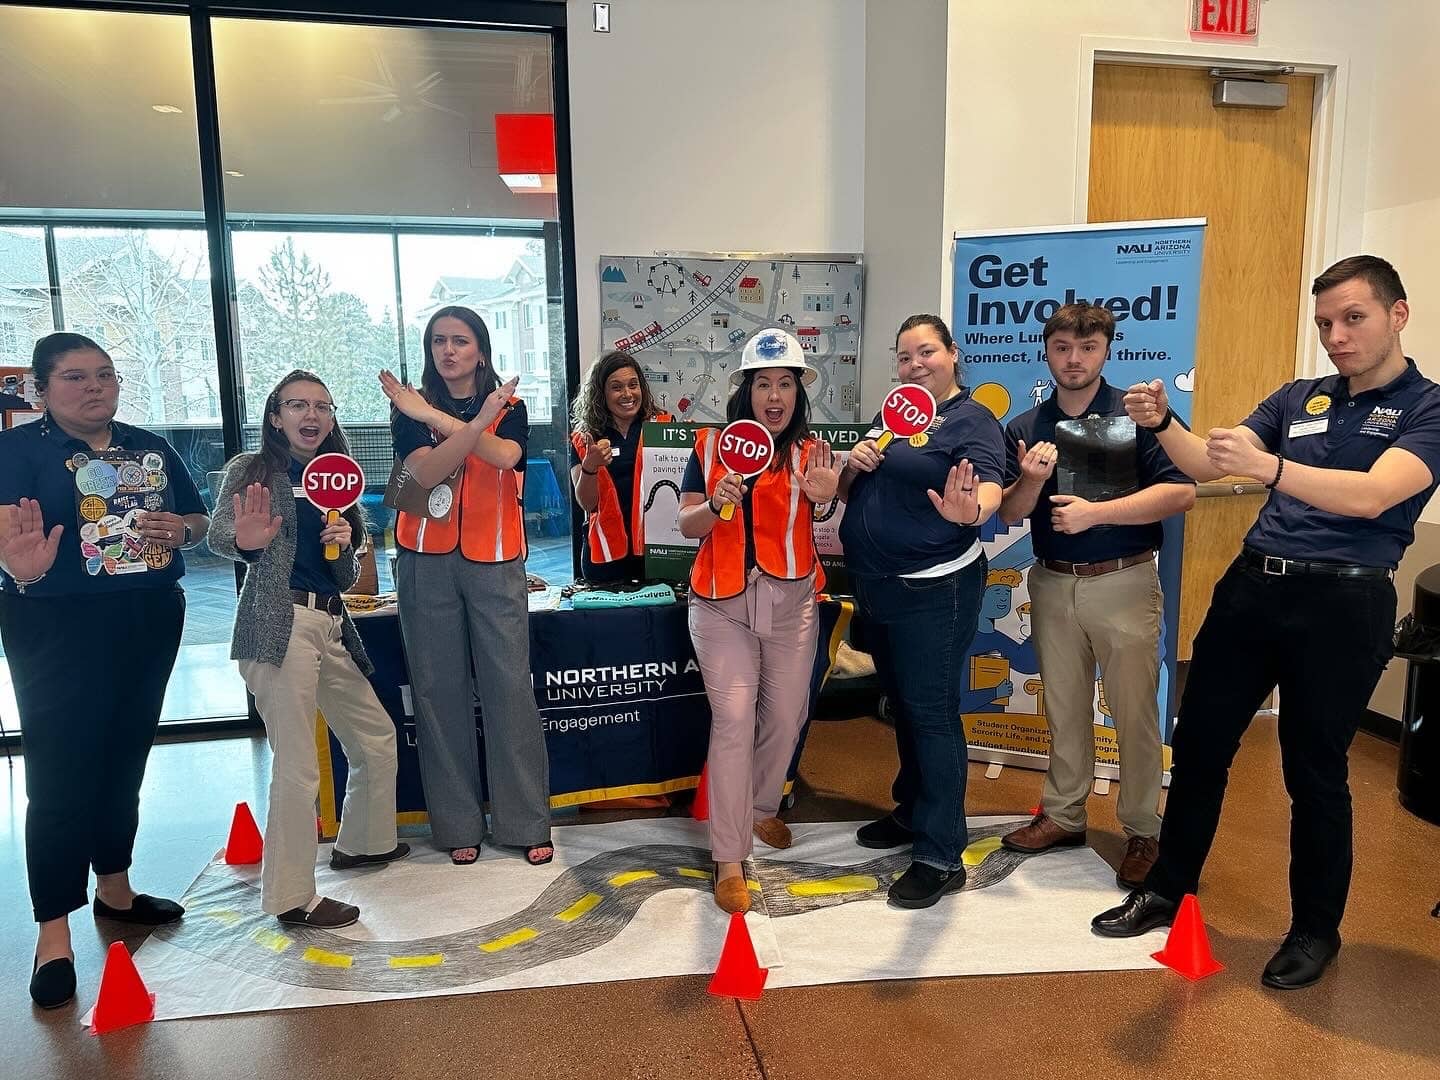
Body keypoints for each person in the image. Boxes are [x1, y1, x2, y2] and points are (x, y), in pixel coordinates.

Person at [1092, 255, 1440, 990]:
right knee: (1202, 746)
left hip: (1345, 605)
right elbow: (1210, 464)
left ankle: (1316, 930)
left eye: (1354, 319)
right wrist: (1164, 423)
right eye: (1325, 324)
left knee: (1313, 771)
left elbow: (1375, 496)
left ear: (1397, 314)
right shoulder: (1300, 397)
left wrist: (1271, 470)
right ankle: (1167, 888)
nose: (1337, 337)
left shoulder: (1426, 408)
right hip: (1253, 590)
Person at [0, 333, 209, 1009]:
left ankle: (115, 891)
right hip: (52, 622)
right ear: (40, 390)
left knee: (125, 759)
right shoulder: (14, 452)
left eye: (105, 375)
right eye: (73, 378)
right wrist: (15, 569)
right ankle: (52, 932)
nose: (94, 387)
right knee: (61, 774)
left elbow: (199, 517)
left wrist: (184, 530)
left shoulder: (148, 447)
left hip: (148, 618)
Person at [997, 303, 1194, 889]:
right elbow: (1010, 511)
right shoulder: (1027, 426)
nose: (1074, 359)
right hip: (1053, 581)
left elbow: (1180, 493)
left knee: (1134, 712)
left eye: (1086, 348)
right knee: (1063, 705)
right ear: (1048, 351)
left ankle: (1142, 829)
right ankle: (1063, 814)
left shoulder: (1138, 416)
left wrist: (1097, 514)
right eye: (1062, 347)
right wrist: (1030, 479)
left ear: (1107, 349)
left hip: (1124, 580)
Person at [209, 370, 406, 929]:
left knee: (375, 735)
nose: (311, 415)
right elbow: (222, 537)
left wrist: (346, 546)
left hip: (329, 622)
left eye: (322, 404)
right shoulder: (252, 470)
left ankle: (365, 843)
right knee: (297, 768)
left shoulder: (338, 476)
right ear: (276, 416)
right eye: (297, 404)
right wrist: (246, 541)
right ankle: (292, 898)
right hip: (278, 625)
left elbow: (345, 576)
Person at [838, 314, 1005, 908]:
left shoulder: (971, 420)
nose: (915, 365)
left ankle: (940, 853)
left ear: (953, 355)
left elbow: (988, 487)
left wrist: (974, 511)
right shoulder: (896, 417)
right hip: (880, 587)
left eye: (926, 352)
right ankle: (911, 812)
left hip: (935, 590)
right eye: (905, 356)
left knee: (931, 715)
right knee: (903, 709)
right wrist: (852, 465)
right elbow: (863, 491)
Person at [379, 306, 552, 867]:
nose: (447, 351)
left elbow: (504, 456)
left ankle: (526, 822)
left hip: (496, 556)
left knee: (509, 688)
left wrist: (447, 418)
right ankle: (457, 824)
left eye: (460, 340)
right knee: (436, 691)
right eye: (437, 342)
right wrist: (462, 424)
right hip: (424, 558)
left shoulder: (511, 407)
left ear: (481, 348)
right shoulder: (405, 409)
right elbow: (424, 473)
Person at [678, 329, 838, 913]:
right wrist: (716, 500)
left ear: (798, 393)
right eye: (764, 383)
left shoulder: (811, 452)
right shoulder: (708, 447)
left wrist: (826, 496)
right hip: (720, 605)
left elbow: (825, 512)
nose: (775, 395)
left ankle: (760, 808)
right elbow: (688, 526)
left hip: (792, 600)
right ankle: (728, 856)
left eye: (786, 384)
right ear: (745, 391)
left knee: (788, 713)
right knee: (734, 718)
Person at [569, 351, 668, 584]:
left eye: (633, 385)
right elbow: (587, 503)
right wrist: (590, 467)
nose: (627, 394)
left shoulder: (665, 429)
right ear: (601, 394)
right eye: (616, 387)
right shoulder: (585, 439)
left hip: (657, 557)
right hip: (605, 560)